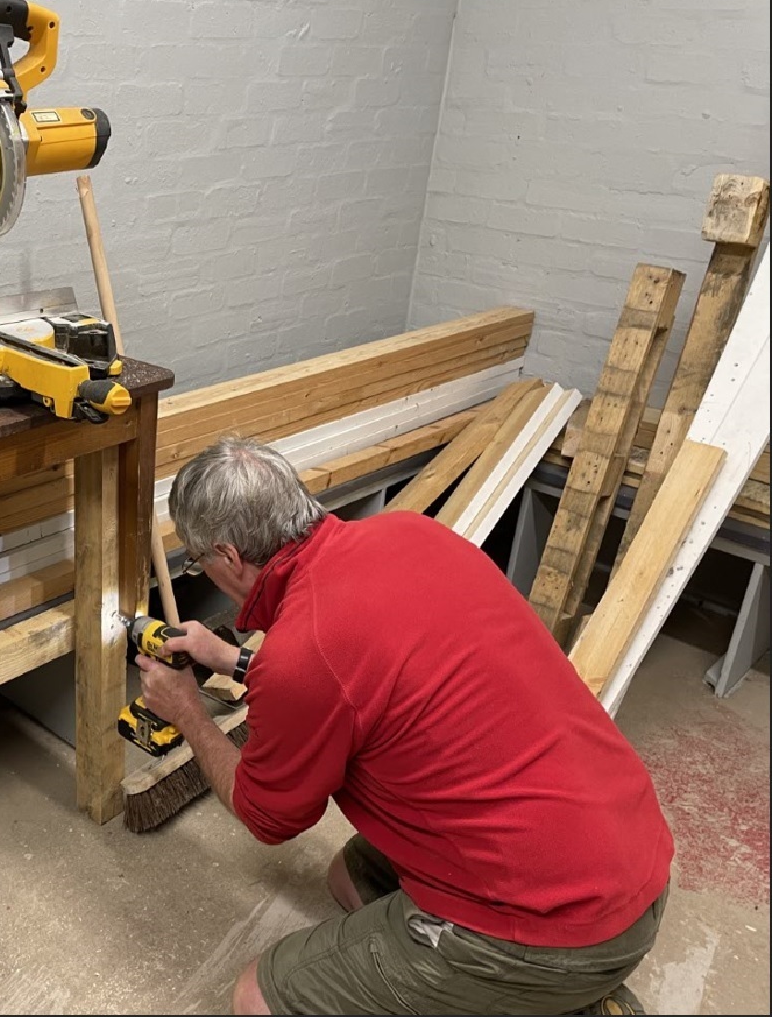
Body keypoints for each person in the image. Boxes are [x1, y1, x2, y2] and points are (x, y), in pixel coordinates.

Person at [136, 435, 673, 1016]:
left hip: (561, 925)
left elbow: (267, 816)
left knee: (257, 1000)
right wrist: (231, 660)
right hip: (633, 858)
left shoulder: (304, 652)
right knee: (350, 877)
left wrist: (188, 710)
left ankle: (565, 997)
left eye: (200, 562)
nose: (205, 572)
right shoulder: (410, 533)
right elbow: (350, 678)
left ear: (230, 556)